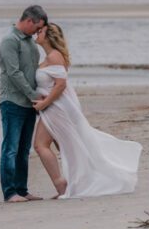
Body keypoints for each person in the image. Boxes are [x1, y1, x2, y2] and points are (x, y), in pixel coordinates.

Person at [32, 22, 141, 198]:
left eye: (41, 31)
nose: (37, 33)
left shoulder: (54, 56)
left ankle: (62, 186)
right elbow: (54, 84)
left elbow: (61, 85)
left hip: (58, 108)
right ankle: (72, 184)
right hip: (54, 107)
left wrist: (44, 104)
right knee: (70, 146)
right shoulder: (50, 56)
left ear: (49, 36)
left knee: (40, 145)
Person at [0, 5, 48, 203]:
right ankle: (10, 193)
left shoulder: (30, 42)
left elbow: (34, 71)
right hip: (13, 102)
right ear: (28, 21)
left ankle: (22, 189)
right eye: (37, 28)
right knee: (10, 148)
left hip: (30, 104)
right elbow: (14, 73)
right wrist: (33, 94)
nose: (37, 32)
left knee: (24, 150)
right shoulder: (10, 40)